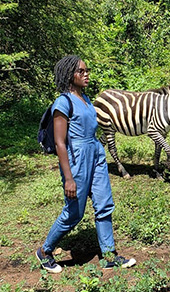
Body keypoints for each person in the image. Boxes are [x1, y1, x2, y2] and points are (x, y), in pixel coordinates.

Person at [36, 55, 136, 273]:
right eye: (81, 71)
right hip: (77, 159)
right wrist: (69, 178)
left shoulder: (87, 99)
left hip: (96, 154)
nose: (86, 74)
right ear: (69, 75)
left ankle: (109, 255)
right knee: (74, 213)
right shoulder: (63, 102)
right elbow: (61, 143)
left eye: (86, 70)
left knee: (104, 204)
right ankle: (45, 251)